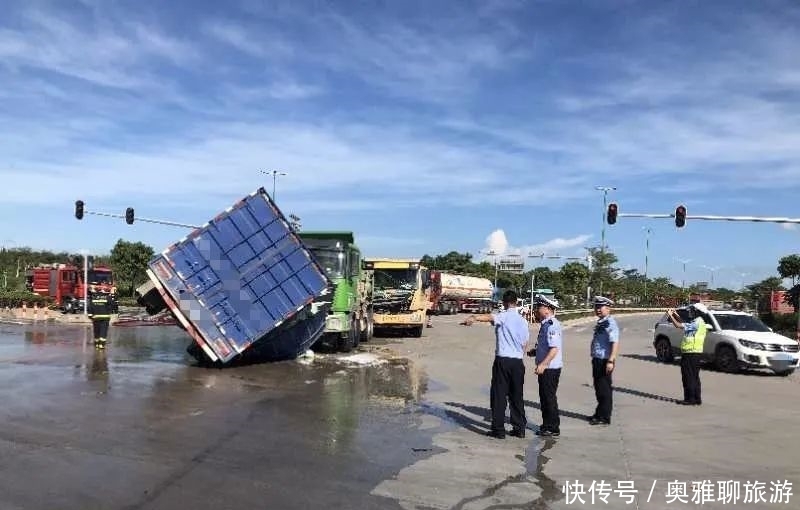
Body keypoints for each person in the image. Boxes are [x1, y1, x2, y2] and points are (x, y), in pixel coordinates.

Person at [470, 290, 531, 439]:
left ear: (504, 303)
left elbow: (490, 317)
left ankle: (498, 429)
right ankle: (519, 428)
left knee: (499, 395)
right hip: (517, 362)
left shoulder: (503, 316)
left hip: (503, 360)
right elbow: (525, 343)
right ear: (516, 302)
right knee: (517, 396)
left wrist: (474, 317)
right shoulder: (523, 320)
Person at [666, 302, 709, 405]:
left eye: (692, 311)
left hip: (690, 353)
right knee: (694, 377)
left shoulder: (696, 323)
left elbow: (678, 325)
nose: (690, 312)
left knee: (688, 376)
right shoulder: (698, 322)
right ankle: (697, 398)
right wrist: (675, 314)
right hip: (695, 353)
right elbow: (683, 322)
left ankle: (689, 399)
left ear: (697, 312)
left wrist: (670, 315)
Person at [532, 294, 562, 437]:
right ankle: (548, 424)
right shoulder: (545, 324)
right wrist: (535, 352)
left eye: (539, 307)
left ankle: (552, 427)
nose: (537, 309)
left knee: (548, 397)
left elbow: (554, 348)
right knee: (545, 397)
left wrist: (543, 364)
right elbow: (546, 346)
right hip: (547, 367)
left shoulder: (551, 325)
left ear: (547, 309)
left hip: (550, 368)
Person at [589, 296, 620, 425]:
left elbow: (615, 342)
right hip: (597, 359)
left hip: (605, 360)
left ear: (608, 308)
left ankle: (604, 417)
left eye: (600, 307)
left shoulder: (610, 323)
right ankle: (599, 413)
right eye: (596, 307)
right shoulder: (602, 322)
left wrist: (611, 360)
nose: (598, 310)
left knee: (604, 389)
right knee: (599, 388)